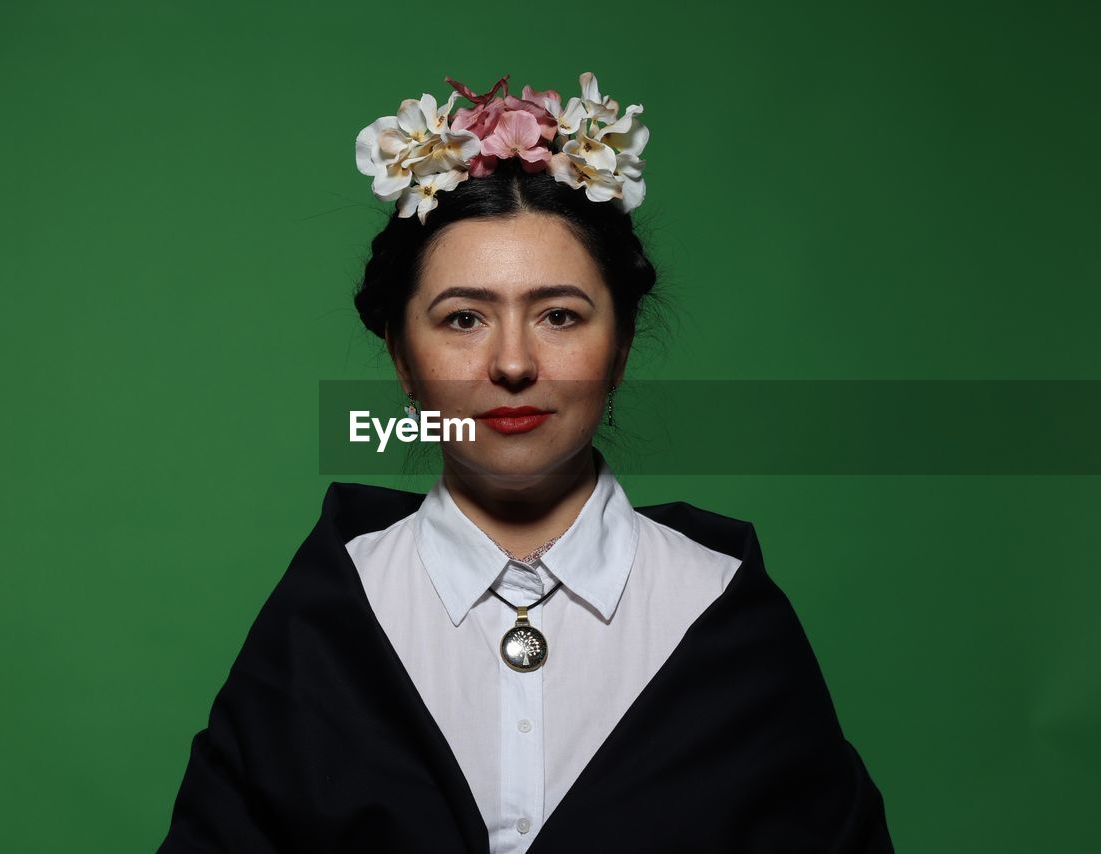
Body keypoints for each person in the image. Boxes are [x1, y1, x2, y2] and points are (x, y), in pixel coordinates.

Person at [157, 72, 893, 853]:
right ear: (402, 358)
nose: (513, 362)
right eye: (464, 318)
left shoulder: (721, 611)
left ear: (621, 347)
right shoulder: (325, 618)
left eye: (560, 315)